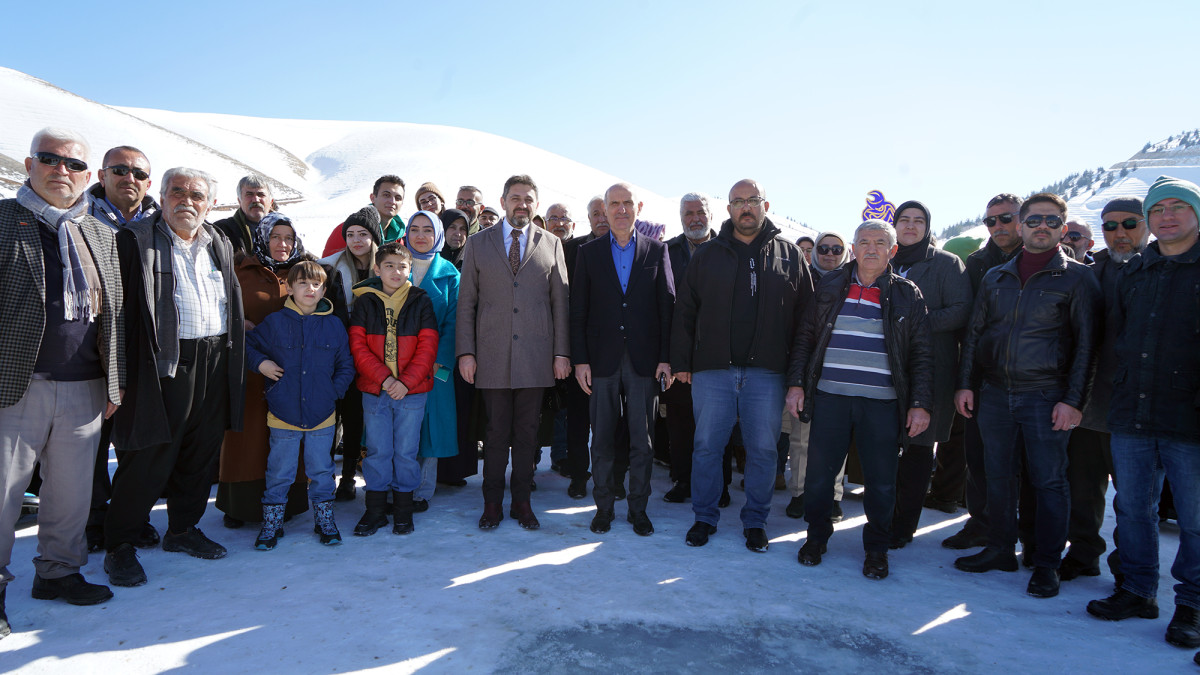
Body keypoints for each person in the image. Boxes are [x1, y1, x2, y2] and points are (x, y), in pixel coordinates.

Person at [1, 128, 124, 637]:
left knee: (71, 496)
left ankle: (58, 573)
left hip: (85, 387)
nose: (61, 171)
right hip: (14, 385)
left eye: (73, 165)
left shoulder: (98, 232)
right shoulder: (5, 221)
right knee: (3, 496)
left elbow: (112, 314)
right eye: (50, 160)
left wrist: (113, 385)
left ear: (88, 176)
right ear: (30, 164)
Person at [953, 192, 1100, 600]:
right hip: (995, 394)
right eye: (1034, 220)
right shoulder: (995, 277)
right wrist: (966, 383)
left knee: (1050, 481)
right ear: (1021, 225)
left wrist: (1073, 401)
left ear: (1063, 228)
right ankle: (1000, 548)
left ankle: (1047, 563)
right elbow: (976, 334)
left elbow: (1088, 346)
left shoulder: (1078, 278)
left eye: (1051, 222)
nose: (1042, 228)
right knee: (998, 476)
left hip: (1045, 395)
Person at [104, 167, 246, 587]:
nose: (188, 200)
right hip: (163, 361)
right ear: (161, 197)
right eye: (178, 192)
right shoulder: (136, 241)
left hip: (215, 355)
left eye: (197, 195)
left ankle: (183, 529)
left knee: (201, 451)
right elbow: (119, 313)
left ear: (210, 203)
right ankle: (120, 543)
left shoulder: (217, 242)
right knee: (150, 451)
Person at [1087, 176, 1200, 651]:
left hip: (1190, 418)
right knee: (1132, 509)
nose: (1167, 216)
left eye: (1178, 207)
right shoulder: (1136, 273)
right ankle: (1136, 590)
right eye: (1159, 209)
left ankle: (1192, 605)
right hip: (1132, 411)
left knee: (1195, 518)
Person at [671, 179, 814, 552]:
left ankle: (755, 521)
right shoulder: (707, 254)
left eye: (752, 200)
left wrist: (796, 374)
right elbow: (685, 310)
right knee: (706, 448)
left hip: (767, 372)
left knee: (764, 450)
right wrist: (683, 361)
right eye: (738, 202)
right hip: (713, 370)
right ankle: (704, 517)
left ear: (765, 205)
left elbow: (805, 320)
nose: (745, 208)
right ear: (729, 208)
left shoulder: (789, 255)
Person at [787, 218, 933, 579]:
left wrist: (920, 403)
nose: (871, 248)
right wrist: (796, 384)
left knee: (882, 482)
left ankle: (877, 549)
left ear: (892, 250)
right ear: (853, 248)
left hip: (882, 405)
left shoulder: (907, 293)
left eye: (880, 242)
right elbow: (805, 337)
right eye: (864, 241)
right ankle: (816, 538)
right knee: (819, 478)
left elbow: (922, 354)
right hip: (830, 399)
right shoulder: (830, 285)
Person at [456, 175, 570, 530]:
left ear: (536, 204)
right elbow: (467, 304)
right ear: (503, 201)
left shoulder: (551, 244)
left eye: (528, 199)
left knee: (526, 434)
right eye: (515, 198)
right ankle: (492, 503)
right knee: (494, 434)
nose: (522, 204)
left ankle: (522, 501)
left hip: (536, 357)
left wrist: (561, 353)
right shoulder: (478, 243)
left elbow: (560, 304)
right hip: (490, 355)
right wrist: (466, 353)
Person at [571, 183, 675, 536]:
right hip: (601, 360)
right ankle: (603, 509)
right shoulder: (589, 252)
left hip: (644, 361)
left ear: (638, 207)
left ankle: (638, 509)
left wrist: (665, 358)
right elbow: (579, 310)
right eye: (613, 204)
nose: (620, 210)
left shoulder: (657, 251)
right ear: (604, 209)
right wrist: (580, 360)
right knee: (600, 439)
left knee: (642, 440)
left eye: (626, 203)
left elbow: (667, 308)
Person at [1062, 197, 1147, 583]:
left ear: (1145, 225)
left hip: (1139, 409)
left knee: (1134, 502)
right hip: (1088, 402)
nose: (1120, 233)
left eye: (1129, 224)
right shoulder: (1090, 273)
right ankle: (1082, 554)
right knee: (1083, 489)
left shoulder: (1159, 270)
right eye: (1110, 226)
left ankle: (1133, 575)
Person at [245, 261, 355, 548]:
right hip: (284, 413)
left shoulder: (333, 325)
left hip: (322, 414)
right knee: (279, 471)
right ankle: (272, 523)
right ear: (291, 287)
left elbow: (346, 364)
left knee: (321, 470)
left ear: (324, 291)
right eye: (303, 283)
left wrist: (333, 391)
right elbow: (247, 345)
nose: (310, 289)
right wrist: (262, 363)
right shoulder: (275, 323)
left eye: (316, 284)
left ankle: (325, 520)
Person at [82, 145, 159, 551]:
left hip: (145, 345)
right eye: (119, 170)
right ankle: (93, 519)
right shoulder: (79, 218)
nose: (128, 177)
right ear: (102, 174)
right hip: (92, 344)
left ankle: (133, 514)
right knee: (94, 440)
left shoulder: (160, 222)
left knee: (138, 438)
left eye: (137, 172)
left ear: (148, 181)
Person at [216, 212, 314, 528]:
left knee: (285, 436)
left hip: (290, 373)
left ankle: (287, 501)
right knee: (247, 437)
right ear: (262, 238)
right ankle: (240, 505)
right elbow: (220, 309)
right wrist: (235, 323)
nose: (282, 244)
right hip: (248, 371)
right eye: (275, 237)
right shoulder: (241, 271)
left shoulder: (302, 274)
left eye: (288, 237)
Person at [941, 193, 1026, 551]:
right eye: (991, 221)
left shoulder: (1042, 257)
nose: (998, 226)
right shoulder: (976, 264)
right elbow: (968, 326)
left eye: (1006, 219)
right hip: (983, 375)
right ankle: (980, 524)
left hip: (1033, 379)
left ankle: (1024, 533)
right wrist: (966, 379)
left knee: (1027, 465)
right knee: (977, 456)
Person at [886, 201, 972, 549]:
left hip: (930, 370)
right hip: (888, 369)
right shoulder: (883, 259)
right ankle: (883, 516)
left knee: (919, 449)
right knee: (886, 448)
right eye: (903, 220)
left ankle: (903, 526)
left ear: (927, 227)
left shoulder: (946, 264)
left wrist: (912, 325)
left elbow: (960, 311)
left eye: (917, 221)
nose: (910, 226)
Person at [349, 242, 439, 536]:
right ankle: (374, 510)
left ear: (410, 269)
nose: (396, 271)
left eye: (402, 266)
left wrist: (405, 382)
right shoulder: (365, 300)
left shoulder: (420, 300)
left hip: (411, 392)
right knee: (377, 451)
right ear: (377, 269)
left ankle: (403, 509)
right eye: (389, 265)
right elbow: (358, 347)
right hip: (376, 390)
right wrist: (385, 380)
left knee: (405, 451)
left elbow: (427, 347)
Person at [320, 206, 382, 500]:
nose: (356, 240)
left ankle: (347, 477)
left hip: (372, 355)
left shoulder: (385, 267)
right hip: (336, 353)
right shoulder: (330, 268)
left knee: (356, 418)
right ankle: (322, 475)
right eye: (350, 234)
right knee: (331, 416)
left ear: (374, 237)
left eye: (363, 234)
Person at [403, 211, 460, 512]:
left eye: (428, 229)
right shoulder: (397, 265)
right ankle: (399, 486)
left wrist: (441, 360)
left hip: (435, 366)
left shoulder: (450, 273)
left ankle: (422, 490)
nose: (421, 235)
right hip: (399, 363)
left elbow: (454, 321)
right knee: (401, 427)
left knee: (431, 428)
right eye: (414, 229)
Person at [661, 193, 716, 503]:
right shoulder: (667, 251)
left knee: (715, 423)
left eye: (700, 212)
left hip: (717, 356)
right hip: (678, 353)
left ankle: (716, 485)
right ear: (681, 217)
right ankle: (683, 480)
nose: (695, 218)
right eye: (688, 214)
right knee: (680, 423)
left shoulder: (727, 248)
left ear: (711, 214)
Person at [322, 175, 407, 257]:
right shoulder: (348, 230)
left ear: (402, 203)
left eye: (398, 198)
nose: (392, 201)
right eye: (386, 195)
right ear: (373, 198)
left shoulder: (399, 237)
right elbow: (327, 265)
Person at [86, 146, 158, 229]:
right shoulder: (76, 216)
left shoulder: (164, 225)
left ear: (148, 185)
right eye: (120, 170)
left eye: (139, 174)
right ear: (102, 176)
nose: (130, 179)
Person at [213, 174, 275, 255]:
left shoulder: (284, 229)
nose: (256, 200)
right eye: (249, 194)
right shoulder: (222, 230)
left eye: (261, 195)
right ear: (239, 200)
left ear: (271, 202)